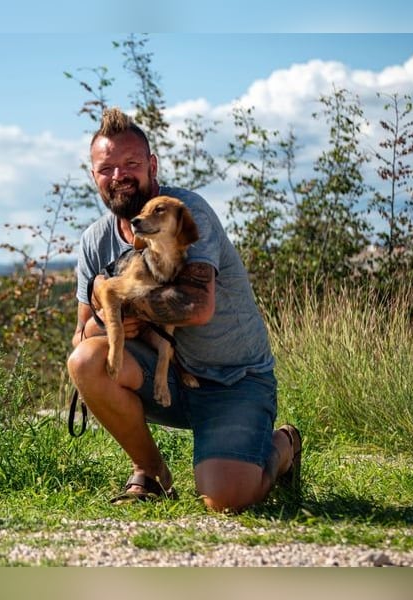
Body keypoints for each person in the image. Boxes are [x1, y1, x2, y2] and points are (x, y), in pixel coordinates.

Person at [66, 107, 302, 512]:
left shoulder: (183, 212)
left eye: (131, 164)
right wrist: (105, 319)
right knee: (86, 359)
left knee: (226, 499)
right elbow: (82, 333)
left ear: (152, 166)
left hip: (233, 381)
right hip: (165, 381)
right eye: (107, 168)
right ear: (94, 177)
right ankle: (150, 472)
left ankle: (284, 445)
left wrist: (116, 296)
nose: (119, 175)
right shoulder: (94, 241)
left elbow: (196, 307)